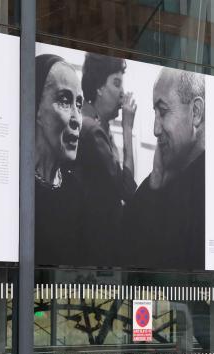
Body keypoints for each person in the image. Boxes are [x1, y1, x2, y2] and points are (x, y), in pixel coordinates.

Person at [122, 68, 205, 270]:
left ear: (195, 112)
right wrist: (155, 182)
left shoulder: (209, 189)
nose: (155, 129)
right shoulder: (166, 177)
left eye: (163, 111)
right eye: (155, 113)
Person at [76, 52, 138, 264]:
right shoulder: (93, 132)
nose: (123, 94)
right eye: (116, 83)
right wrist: (128, 128)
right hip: (94, 253)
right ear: (99, 88)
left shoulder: (96, 126)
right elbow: (128, 190)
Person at [34, 54, 84, 265]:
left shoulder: (78, 192)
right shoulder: (15, 191)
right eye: (64, 101)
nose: (77, 119)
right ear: (35, 107)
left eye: (79, 104)